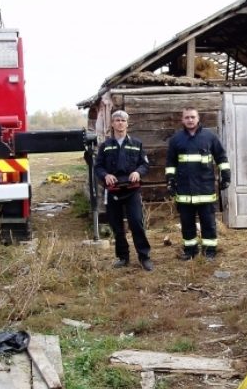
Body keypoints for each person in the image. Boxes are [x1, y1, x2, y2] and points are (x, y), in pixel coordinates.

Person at [165, 107, 231, 260]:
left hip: (205, 188)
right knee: (187, 224)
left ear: (198, 118)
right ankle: (190, 252)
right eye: (187, 117)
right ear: (182, 120)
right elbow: (170, 162)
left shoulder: (210, 137)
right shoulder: (176, 139)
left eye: (192, 117)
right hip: (184, 190)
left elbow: (221, 157)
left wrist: (226, 175)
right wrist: (170, 180)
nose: (190, 120)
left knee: (208, 223)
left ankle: (209, 252)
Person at [94, 110, 153, 271]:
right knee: (116, 226)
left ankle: (144, 257)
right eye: (117, 120)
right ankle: (122, 257)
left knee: (136, 223)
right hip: (113, 191)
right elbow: (98, 166)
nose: (120, 123)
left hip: (132, 190)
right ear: (112, 124)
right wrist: (105, 175)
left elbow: (145, 164)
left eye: (123, 120)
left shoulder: (136, 144)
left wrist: (137, 172)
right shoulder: (105, 146)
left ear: (127, 123)